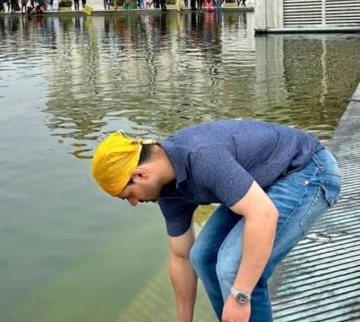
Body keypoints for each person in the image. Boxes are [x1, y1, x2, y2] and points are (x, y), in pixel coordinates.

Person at [91, 120, 341, 322]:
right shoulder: (167, 190)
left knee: (233, 269)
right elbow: (181, 256)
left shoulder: (201, 157)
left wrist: (240, 296)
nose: (133, 203)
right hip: (262, 183)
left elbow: (263, 215)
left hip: (308, 171)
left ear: (140, 174)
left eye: (128, 196)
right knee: (202, 256)